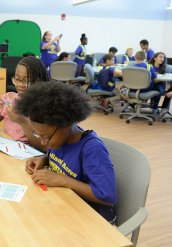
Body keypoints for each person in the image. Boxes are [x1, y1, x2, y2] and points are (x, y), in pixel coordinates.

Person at [13, 81, 117, 224]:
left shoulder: (92, 149)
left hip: (94, 220)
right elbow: (65, 159)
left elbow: (107, 197)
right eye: (39, 135)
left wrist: (62, 180)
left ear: (67, 124)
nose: (43, 143)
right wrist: (43, 159)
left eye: (46, 136)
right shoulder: (57, 140)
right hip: (66, 207)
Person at [0, 56, 51, 152]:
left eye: (26, 81)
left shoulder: (43, 107)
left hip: (30, 156)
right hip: (9, 150)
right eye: (17, 79)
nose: (20, 84)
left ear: (38, 81)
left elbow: (43, 148)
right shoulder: (10, 99)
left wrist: (23, 122)